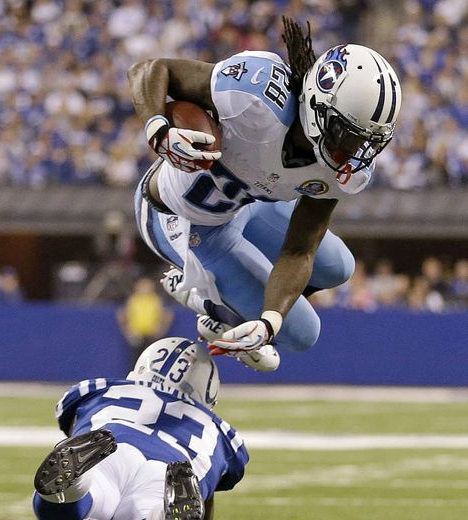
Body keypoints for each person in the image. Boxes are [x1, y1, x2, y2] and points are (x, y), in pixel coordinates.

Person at [128, 16, 402, 371]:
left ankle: (241, 307)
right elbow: (150, 70)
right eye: (349, 135)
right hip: (181, 220)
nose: (355, 152)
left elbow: (301, 248)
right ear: (319, 106)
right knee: (303, 332)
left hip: (247, 202)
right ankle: (212, 303)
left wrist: (269, 321)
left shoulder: (341, 169)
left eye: (367, 142)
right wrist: (158, 129)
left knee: (338, 266)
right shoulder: (254, 96)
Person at [32, 337, 248, 520]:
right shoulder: (221, 432)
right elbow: (204, 507)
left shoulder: (100, 389)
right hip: (166, 473)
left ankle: (74, 489)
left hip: (112, 450)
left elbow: (74, 426)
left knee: (71, 508)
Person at [117, 275, 174, 363]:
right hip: (137, 335)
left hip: (152, 335)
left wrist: (161, 329)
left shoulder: (155, 299)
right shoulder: (134, 300)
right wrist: (129, 331)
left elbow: (165, 315)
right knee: (136, 359)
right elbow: (124, 315)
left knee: (152, 358)